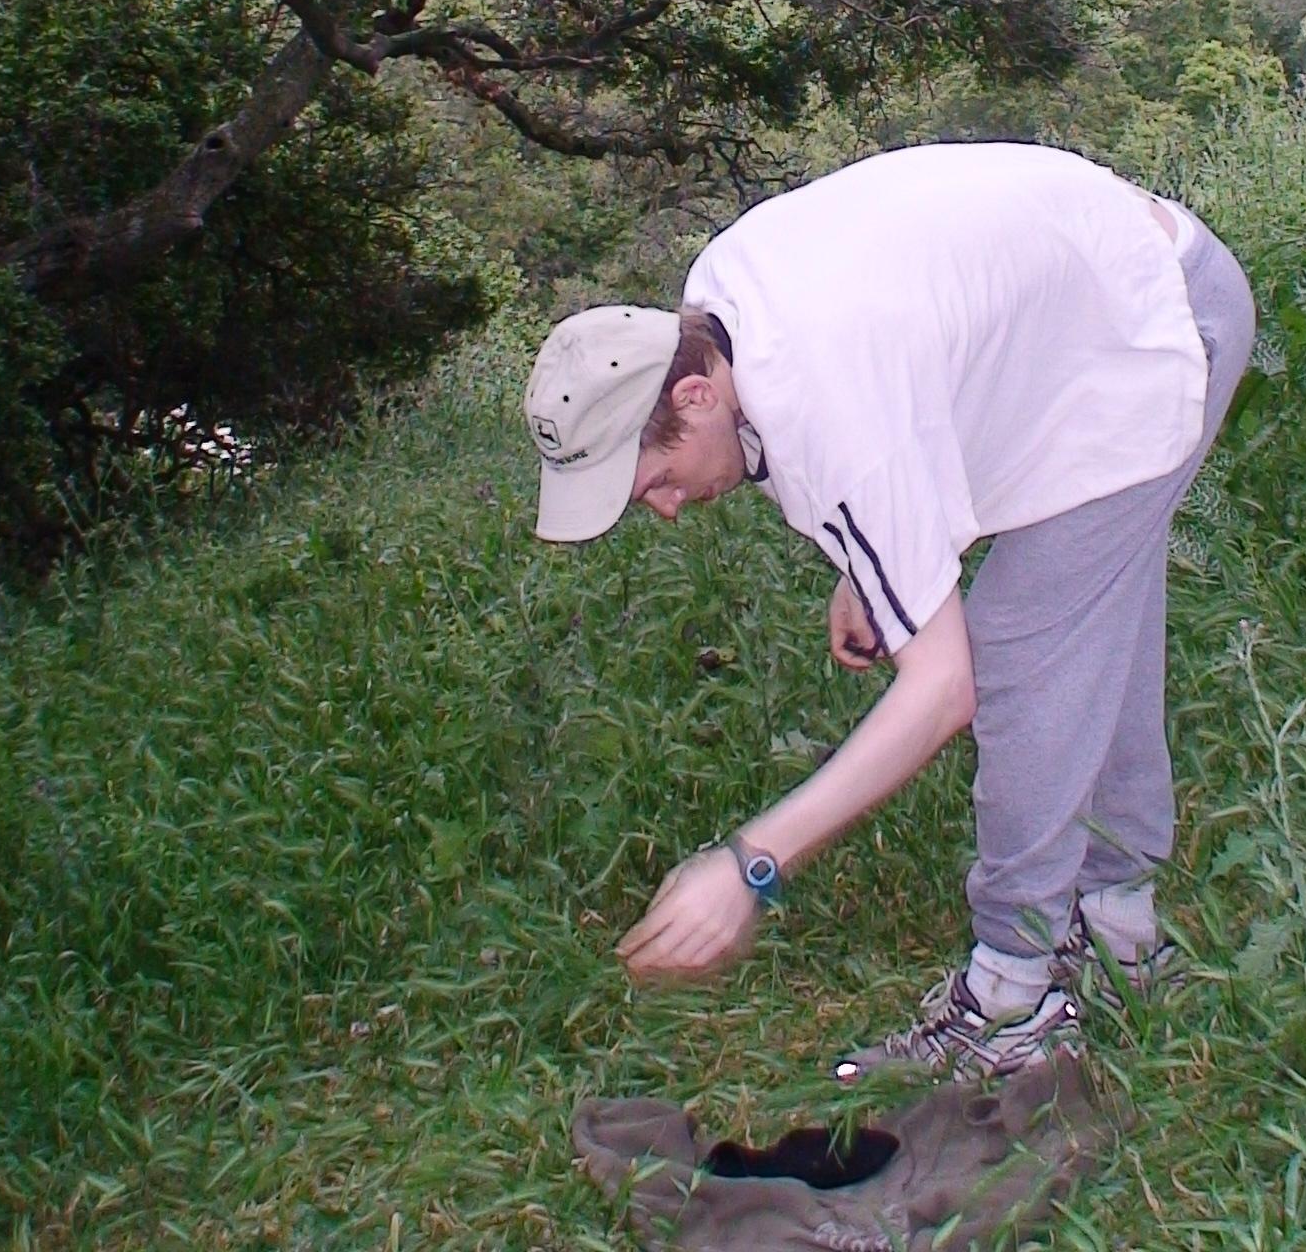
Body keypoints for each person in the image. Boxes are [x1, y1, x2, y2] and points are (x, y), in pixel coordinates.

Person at [523, 141, 1254, 1080]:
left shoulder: (819, 393)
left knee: (1023, 655)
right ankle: (1121, 932)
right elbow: (904, 387)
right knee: (1087, 625)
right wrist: (879, 567)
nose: (663, 509)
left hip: (1153, 322)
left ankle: (1012, 996)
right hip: (1095, 303)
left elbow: (943, 689)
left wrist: (755, 862)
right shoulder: (716, 309)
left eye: (655, 480)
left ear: (694, 395)